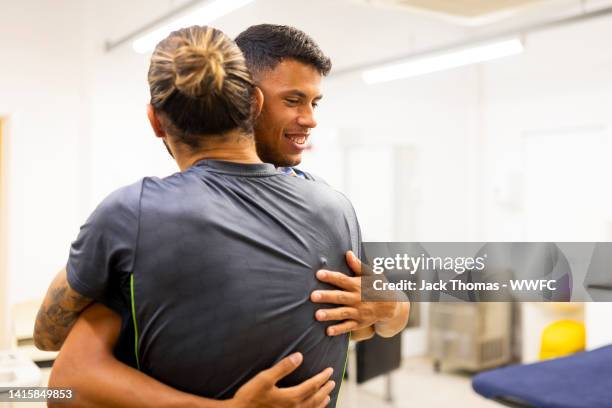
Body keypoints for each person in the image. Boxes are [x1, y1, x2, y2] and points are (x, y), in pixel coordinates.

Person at [36, 24, 409, 407]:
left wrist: (393, 304)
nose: (309, 119)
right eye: (293, 100)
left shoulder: (136, 217)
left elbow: (60, 371)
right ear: (252, 102)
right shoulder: (335, 207)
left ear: (154, 120)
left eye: (314, 103)